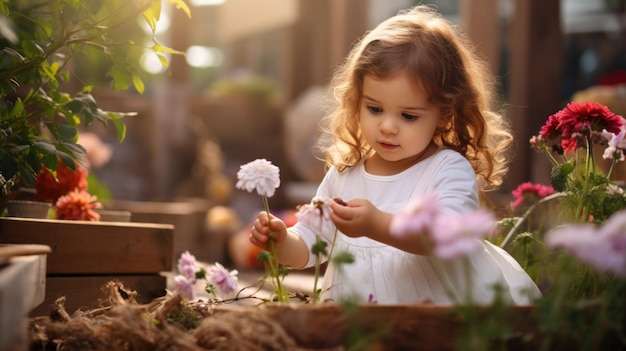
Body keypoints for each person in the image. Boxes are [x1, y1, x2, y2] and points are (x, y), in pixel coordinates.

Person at [250, 5, 541, 304]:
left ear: (443, 114)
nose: (388, 126)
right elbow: (312, 242)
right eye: (374, 109)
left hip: (439, 321)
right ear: (357, 101)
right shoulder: (345, 175)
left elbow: (447, 236)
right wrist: (283, 241)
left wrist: (379, 225)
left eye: (408, 116)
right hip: (361, 324)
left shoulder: (446, 169)